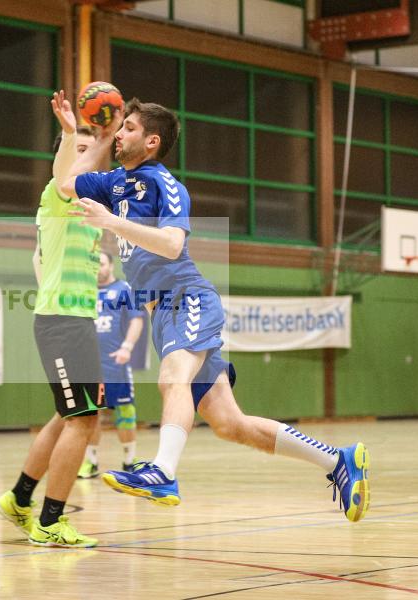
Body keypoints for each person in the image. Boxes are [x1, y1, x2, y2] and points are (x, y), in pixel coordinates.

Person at [62, 98, 371, 522]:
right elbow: (66, 184)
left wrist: (111, 223)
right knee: (231, 424)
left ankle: (164, 472)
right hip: (162, 311)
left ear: (151, 141)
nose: (121, 134)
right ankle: (339, 461)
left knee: (173, 379)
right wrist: (98, 135)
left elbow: (171, 244)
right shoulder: (115, 183)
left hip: (187, 298)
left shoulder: (164, 184)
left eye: (129, 128)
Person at [0, 90, 113, 549]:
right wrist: (90, 134)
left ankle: (19, 499)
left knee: (72, 417)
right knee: (82, 419)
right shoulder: (58, 195)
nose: (88, 157)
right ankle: (49, 521)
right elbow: (68, 173)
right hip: (61, 321)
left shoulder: (90, 206)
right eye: (76, 152)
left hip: (77, 321)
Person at [78, 250, 144, 479]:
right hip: (88, 365)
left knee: (125, 412)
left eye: (101, 263)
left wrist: (127, 347)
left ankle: (129, 461)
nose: (97, 268)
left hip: (115, 364)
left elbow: (137, 319)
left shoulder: (123, 289)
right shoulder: (84, 291)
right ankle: (91, 462)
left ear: (111, 266)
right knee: (90, 414)